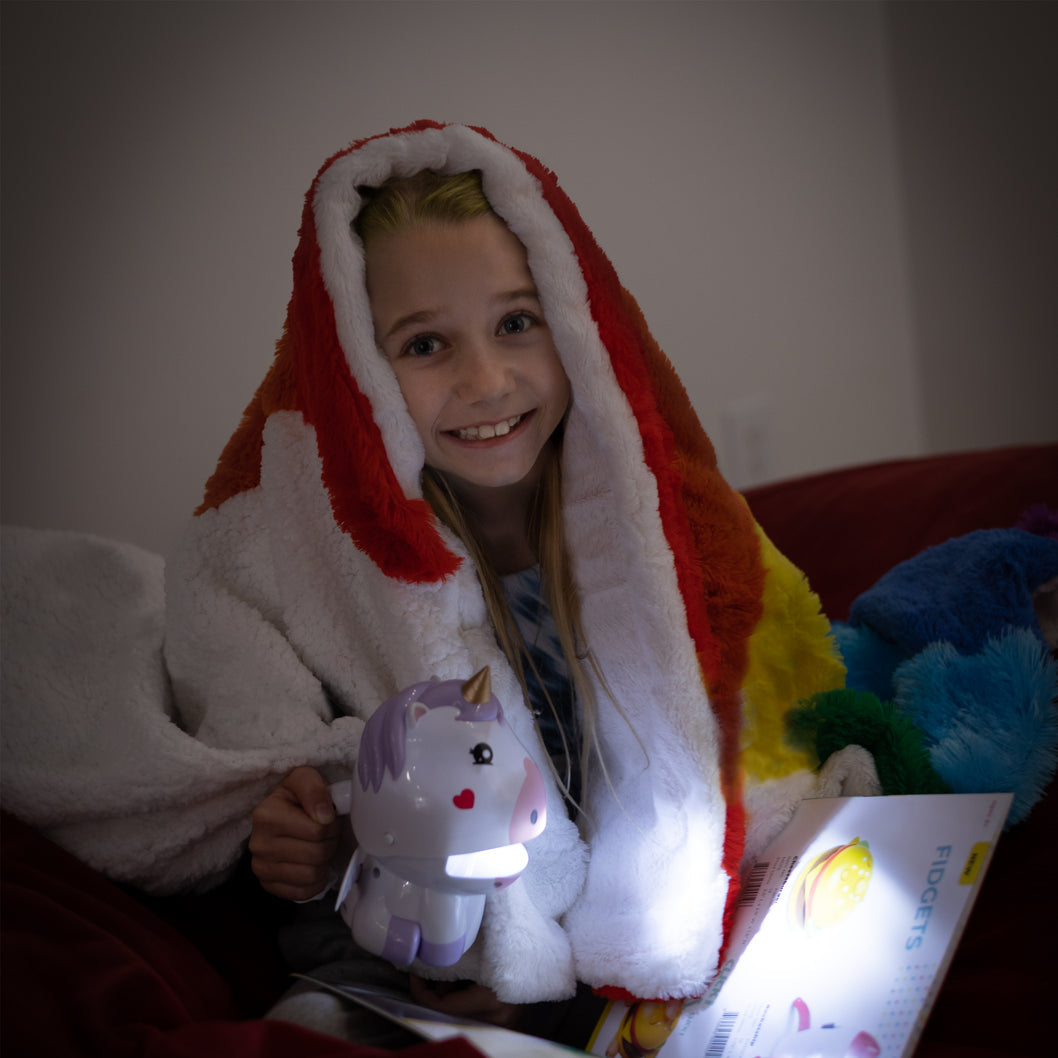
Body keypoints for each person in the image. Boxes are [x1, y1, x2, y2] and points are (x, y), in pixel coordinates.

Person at [163, 120, 848, 1042]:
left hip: (631, 961)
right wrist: (314, 848)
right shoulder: (306, 569)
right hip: (404, 968)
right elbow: (293, 799)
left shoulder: (660, 535)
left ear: (575, 322)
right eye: (424, 344)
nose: (487, 381)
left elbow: (751, 743)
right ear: (357, 371)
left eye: (517, 323)